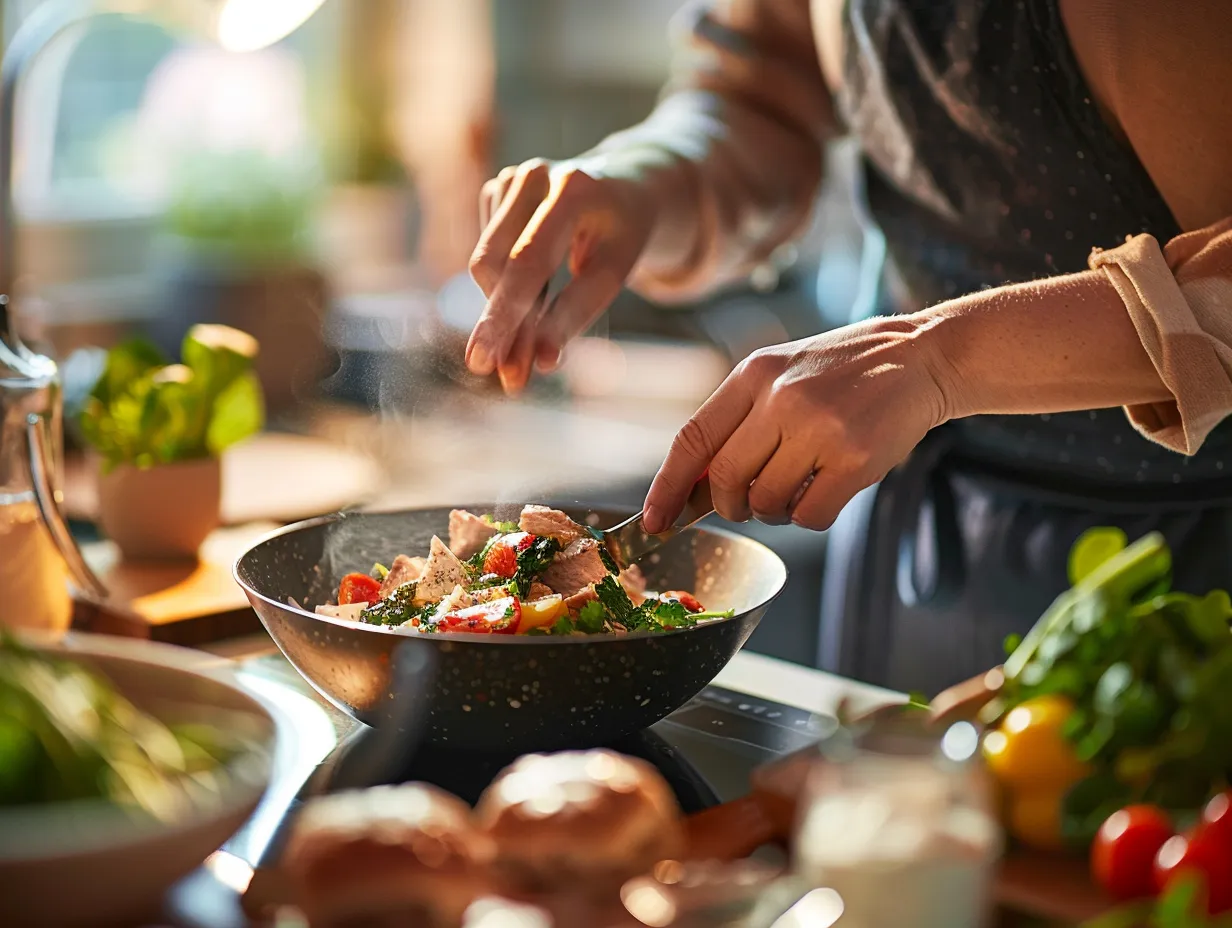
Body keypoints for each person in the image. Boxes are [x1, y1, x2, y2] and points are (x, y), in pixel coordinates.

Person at [464, 0, 1232, 695]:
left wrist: (940, 358)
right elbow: (758, 93)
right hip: (918, 524)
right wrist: (637, 183)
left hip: (1199, 555)